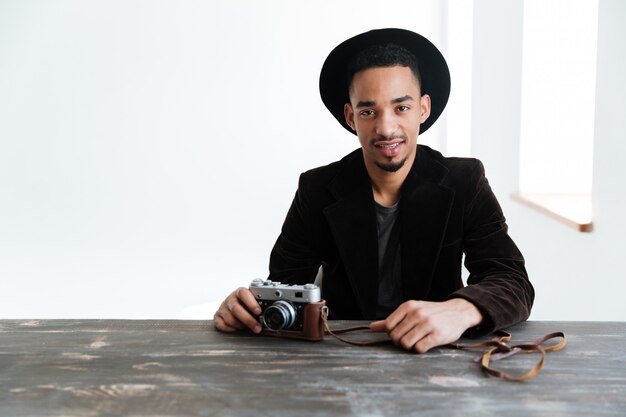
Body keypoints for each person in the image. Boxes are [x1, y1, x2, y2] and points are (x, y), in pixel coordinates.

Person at [214, 28, 534, 353]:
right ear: (351, 117)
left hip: (439, 354)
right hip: (342, 352)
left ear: (423, 109)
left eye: (401, 108)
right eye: (368, 112)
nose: (385, 128)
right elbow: (285, 286)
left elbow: (513, 281)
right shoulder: (317, 188)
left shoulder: (464, 180)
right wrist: (247, 307)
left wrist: (461, 310)